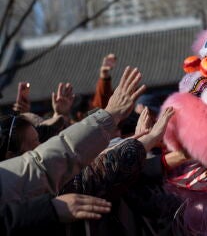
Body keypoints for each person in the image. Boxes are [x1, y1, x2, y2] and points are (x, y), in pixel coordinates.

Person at [0, 66, 146, 203]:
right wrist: (140, 142)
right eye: (34, 144)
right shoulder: (57, 194)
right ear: (11, 158)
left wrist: (60, 115)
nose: (42, 147)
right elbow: (59, 161)